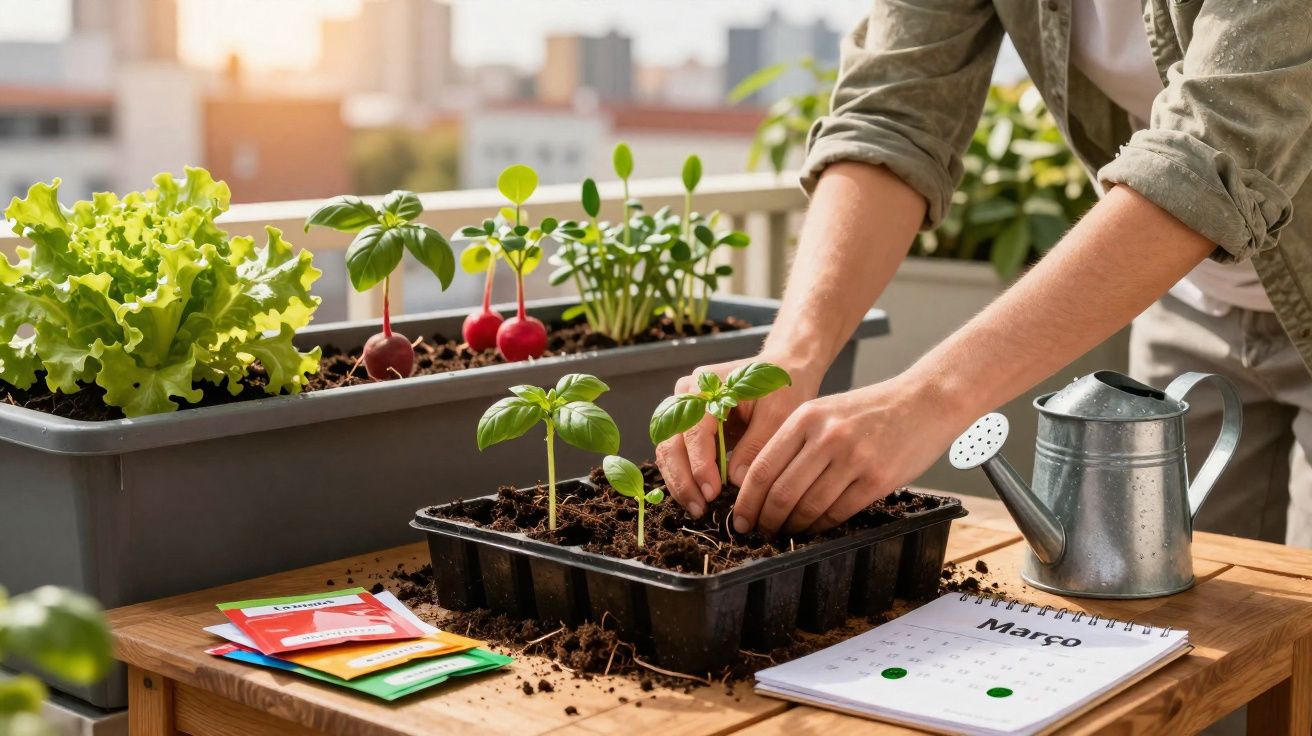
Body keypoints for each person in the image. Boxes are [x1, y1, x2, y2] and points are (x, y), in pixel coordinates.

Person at [656, 0, 1312, 544]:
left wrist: (929, 399)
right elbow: (893, 114)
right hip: (1187, 295)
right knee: (1183, 617)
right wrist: (788, 362)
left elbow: (1211, 150)